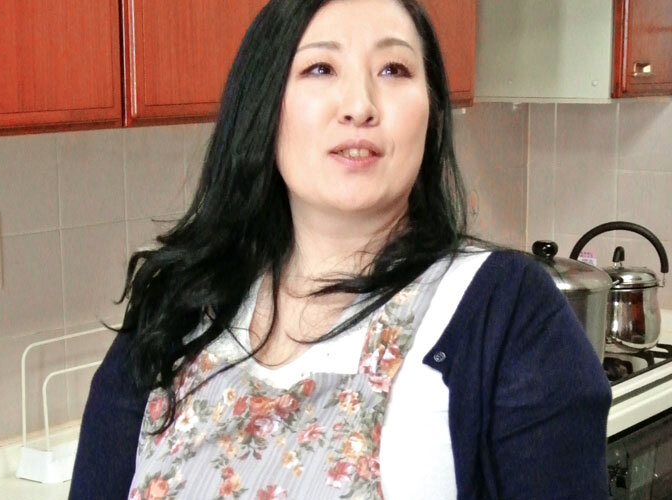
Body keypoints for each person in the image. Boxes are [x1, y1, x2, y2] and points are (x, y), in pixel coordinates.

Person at [69, 0, 612, 498]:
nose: (359, 105)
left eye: (394, 70)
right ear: (264, 105)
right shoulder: (177, 308)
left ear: (432, 112)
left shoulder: (505, 310)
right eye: (320, 69)